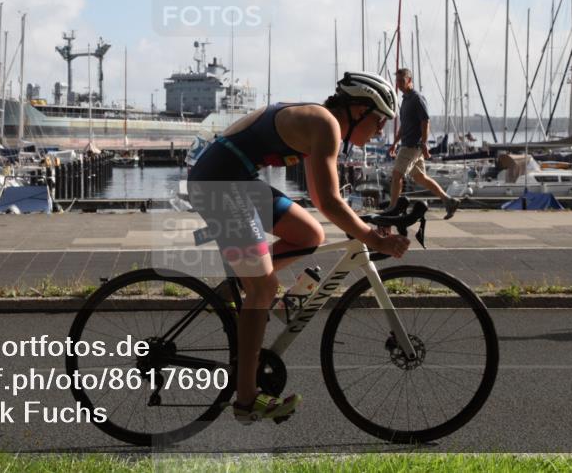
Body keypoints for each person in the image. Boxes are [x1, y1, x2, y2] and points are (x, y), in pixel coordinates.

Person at [186, 72, 410, 425]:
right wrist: (373, 237)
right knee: (264, 288)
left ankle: (244, 281)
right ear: (357, 110)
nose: (381, 130)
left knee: (309, 235)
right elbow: (329, 202)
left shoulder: (319, 122)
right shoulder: (325, 125)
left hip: (235, 182)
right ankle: (247, 401)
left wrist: (367, 223)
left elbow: (326, 200)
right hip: (220, 185)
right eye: (379, 119)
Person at [387, 68, 460, 219]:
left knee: (396, 175)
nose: (399, 84)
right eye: (397, 81)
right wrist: (394, 143)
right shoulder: (406, 100)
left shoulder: (417, 98)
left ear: (409, 80)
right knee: (420, 178)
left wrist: (424, 143)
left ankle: (392, 209)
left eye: (402, 81)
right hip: (407, 144)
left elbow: (425, 121)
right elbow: (404, 125)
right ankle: (449, 200)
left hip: (412, 146)